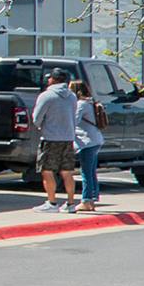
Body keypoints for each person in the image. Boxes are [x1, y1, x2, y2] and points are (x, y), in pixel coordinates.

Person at [30, 70, 81, 210]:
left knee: (47, 170)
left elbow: (36, 118)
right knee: (67, 171)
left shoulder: (46, 95)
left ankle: (52, 202)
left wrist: (41, 126)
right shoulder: (72, 96)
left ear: (53, 79)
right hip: (68, 138)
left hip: (50, 138)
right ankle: (70, 203)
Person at [71, 76, 105, 212]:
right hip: (96, 139)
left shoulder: (81, 105)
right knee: (91, 172)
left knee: (85, 172)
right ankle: (92, 199)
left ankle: (86, 200)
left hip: (86, 141)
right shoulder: (91, 102)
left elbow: (74, 121)